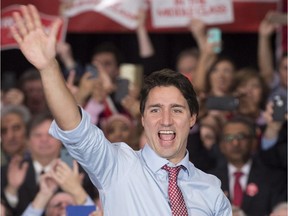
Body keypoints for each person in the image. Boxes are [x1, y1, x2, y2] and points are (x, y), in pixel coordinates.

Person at [10, 5, 232, 215]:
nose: (166, 120)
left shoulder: (211, 190)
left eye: (176, 110)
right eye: (155, 110)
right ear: (142, 118)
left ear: (192, 117)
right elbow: (75, 129)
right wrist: (49, 67)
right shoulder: (116, 166)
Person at [209, 116, 286, 216]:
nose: (235, 143)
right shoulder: (210, 180)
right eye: (229, 138)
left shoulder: (274, 178)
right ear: (221, 145)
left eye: (241, 137)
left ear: (254, 142)